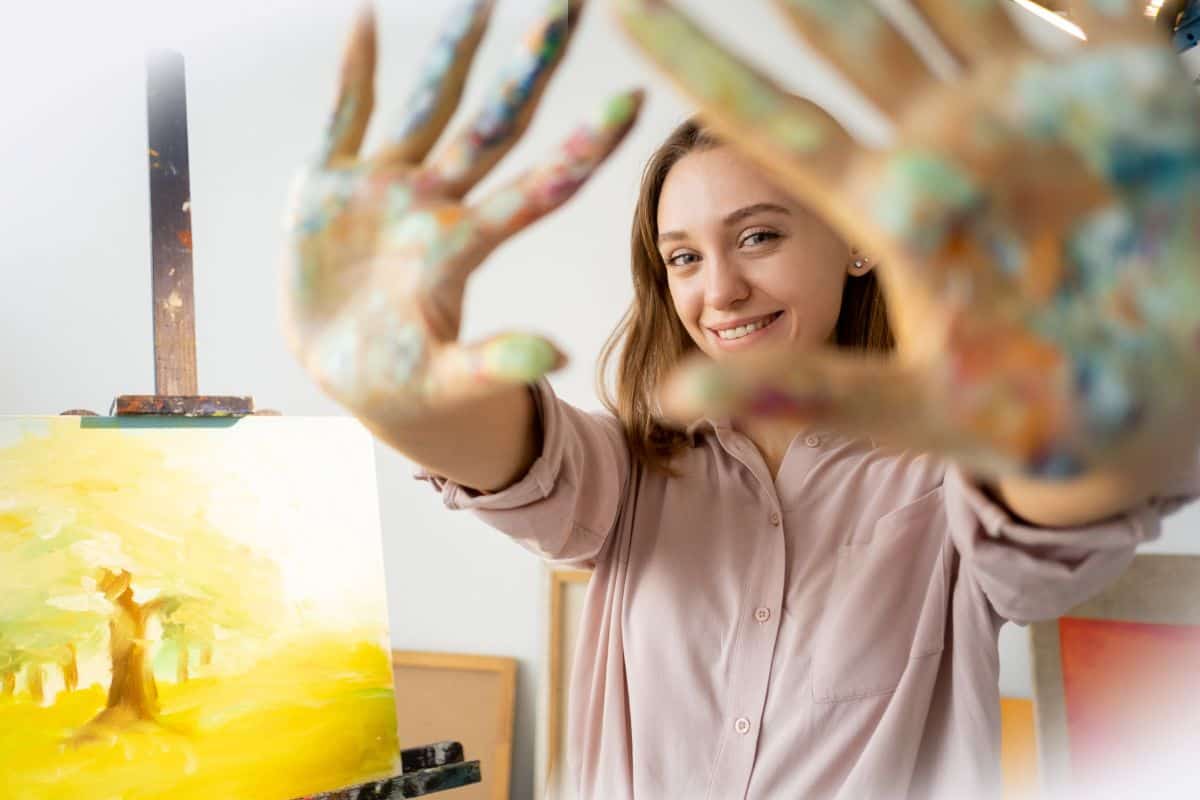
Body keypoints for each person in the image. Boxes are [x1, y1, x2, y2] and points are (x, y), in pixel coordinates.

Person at [283, 1, 1200, 797]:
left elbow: (1045, 526)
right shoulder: (632, 473)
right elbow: (509, 456)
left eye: (758, 236)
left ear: (859, 240)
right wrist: (389, 389)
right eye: (683, 256)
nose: (718, 291)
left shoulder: (949, 473)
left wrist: (1089, 416)